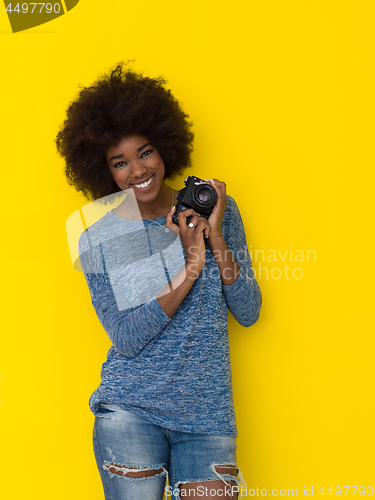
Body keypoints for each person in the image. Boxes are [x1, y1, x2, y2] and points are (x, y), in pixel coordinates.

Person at [56, 63, 262, 500]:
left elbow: (248, 311)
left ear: (165, 147)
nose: (137, 170)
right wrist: (190, 266)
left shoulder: (213, 211)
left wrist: (217, 236)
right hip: (130, 414)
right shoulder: (99, 238)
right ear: (105, 172)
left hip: (207, 418)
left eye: (145, 152)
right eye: (120, 162)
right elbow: (127, 338)